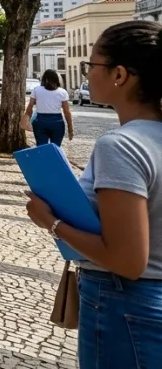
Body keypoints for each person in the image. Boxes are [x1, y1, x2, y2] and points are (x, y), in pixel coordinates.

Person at [26, 20, 162, 369]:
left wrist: (51, 222)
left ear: (119, 75)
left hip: (125, 305)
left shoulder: (121, 146)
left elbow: (128, 260)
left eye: (92, 66)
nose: (86, 74)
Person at [23, 69, 74, 147]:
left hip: (40, 121)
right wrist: (70, 129)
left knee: (41, 147)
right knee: (56, 147)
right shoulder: (62, 92)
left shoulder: (36, 90)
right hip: (57, 122)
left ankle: (42, 159)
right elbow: (67, 112)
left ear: (44, 79)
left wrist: (27, 120)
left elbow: (30, 108)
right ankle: (53, 159)